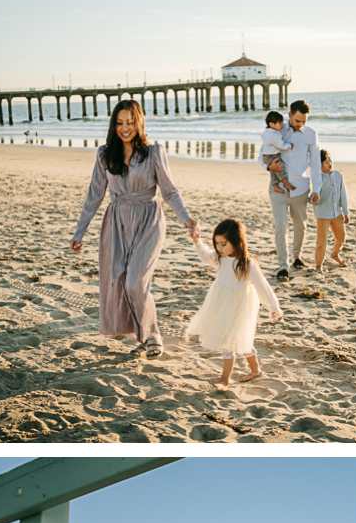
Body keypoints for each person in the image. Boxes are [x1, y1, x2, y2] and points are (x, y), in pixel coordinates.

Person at [71, 99, 197, 358]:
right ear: (113, 125)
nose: (125, 128)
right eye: (119, 123)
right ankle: (144, 336)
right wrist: (79, 232)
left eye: (130, 122)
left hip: (149, 220)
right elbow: (94, 195)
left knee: (135, 281)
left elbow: (169, 192)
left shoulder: (153, 152)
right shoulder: (105, 154)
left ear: (139, 122)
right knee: (126, 284)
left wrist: (187, 219)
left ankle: (152, 335)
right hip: (117, 223)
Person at [186, 219, 282, 388]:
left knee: (228, 341)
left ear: (237, 242)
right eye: (217, 244)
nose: (219, 248)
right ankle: (255, 369)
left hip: (239, 305)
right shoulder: (220, 257)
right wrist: (197, 241)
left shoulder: (246, 263)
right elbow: (205, 256)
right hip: (221, 301)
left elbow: (263, 286)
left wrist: (274, 307)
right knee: (241, 339)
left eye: (223, 244)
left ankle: (224, 379)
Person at [258, 99, 322, 280]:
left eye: (304, 121)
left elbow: (316, 164)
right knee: (281, 226)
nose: (300, 124)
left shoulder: (311, 134)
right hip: (278, 190)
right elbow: (261, 155)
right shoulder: (277, 131)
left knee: (300, 226)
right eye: (297, 120)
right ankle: (282, 267)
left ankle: (297, 256)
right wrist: (269, 168)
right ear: (290, 115)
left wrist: (316, 188)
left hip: (300, 188)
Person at [314, 149, 350, 272]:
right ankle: (319, 265)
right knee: (322, 241)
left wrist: (346, 212)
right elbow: (315, 191)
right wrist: (314, 197)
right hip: (323, 214)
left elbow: (343, 194)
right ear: (319, 165)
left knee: (341, 237)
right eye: (325, 162)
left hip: (336, 213)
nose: (329, 163)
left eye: (330, 160)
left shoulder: (338, 175)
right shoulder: (318, 177)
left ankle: (335, 254)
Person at [259, 111, 295, 194]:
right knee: (279, 168)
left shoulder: (267, 132)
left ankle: (275, 186)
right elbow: (281, 145)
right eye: (280, 123)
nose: (282, 125)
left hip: (267, 156)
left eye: (282, 123)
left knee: (274, 171)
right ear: (271, 124)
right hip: (271, 156)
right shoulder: (274, 135)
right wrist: (289, 145)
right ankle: (285, 183)